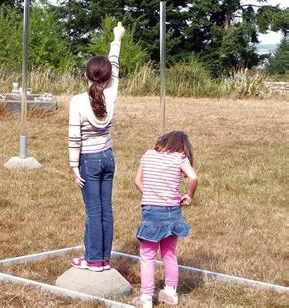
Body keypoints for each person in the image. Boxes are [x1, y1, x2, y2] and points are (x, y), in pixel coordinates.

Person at [68, 22, 125, 272]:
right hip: (108, 157)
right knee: (106, 210)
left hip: (88, 161)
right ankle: (103, 259)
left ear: (86, 76)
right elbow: (115, 65)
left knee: (93, 211)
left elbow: (74, 137)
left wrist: (73, 166)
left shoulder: (78, 101)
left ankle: (92, 260)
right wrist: (117, 38)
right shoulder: (111, 95)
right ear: (110, 78)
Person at [133, 131, 199, 307]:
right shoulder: (180, 159)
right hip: (173, 213)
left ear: (162, 142)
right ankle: (170, 292)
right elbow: (193, 177)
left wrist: (150, 194)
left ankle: (146, 297)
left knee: (148, 256)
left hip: (151, 213)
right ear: (182, 147)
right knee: (169, 253)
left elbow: (137, 180)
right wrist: (189, 195)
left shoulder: (147, 155)